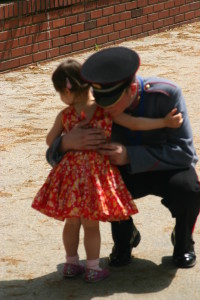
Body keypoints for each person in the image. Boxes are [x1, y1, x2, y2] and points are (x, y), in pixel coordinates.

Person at [46, 47, 200, 271]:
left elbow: (185, 154)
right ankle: (124, 239)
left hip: (166, 168)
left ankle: (184, 241)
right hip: (121, 173)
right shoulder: (95, 107)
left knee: (189, 188)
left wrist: (131, 155)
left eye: (112, 101)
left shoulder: (166, 95)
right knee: (98, 186)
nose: (105, 107)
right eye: (102, 100)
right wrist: (67, 142)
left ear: (132, 89)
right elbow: (54, 155)